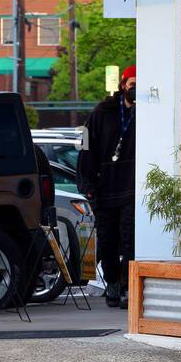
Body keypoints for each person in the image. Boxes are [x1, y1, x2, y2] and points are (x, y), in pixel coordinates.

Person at [77, 66, 137, 308]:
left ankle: (126, 286)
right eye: (132, 84)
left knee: (131, 239)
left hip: (132, 186)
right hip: (106, 186)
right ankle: (112, 283)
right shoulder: (102, 112)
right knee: (108, 239)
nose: (135, 89)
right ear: (123, 85)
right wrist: (87, 182)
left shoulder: (150, 112)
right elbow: (85, 144)